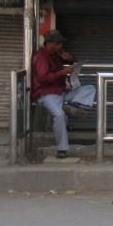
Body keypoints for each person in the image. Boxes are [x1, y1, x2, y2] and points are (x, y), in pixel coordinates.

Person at [31, 29, 96, 159]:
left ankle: (72, 106)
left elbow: (73, 61)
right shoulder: (41, 57)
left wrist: (70, 58)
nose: (61, 46)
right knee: (59, 116)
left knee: (90, 88)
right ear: (49, 43)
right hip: (47, 94)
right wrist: (63, 72)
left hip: (61, 92)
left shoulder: (57, 55)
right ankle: (62, 149)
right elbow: (43, 78)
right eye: (58, 43)